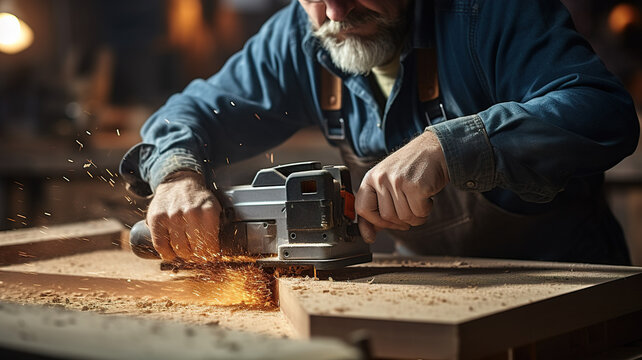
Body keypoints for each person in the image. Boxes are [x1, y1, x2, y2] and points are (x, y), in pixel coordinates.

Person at [120, 0, 639, 265]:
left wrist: (449, 144)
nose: (335, 15)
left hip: (566, 292)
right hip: (438, 296)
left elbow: (602, 110)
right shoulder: (302, 37)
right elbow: (190, 111)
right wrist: (176, 174)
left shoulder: (488, 12)